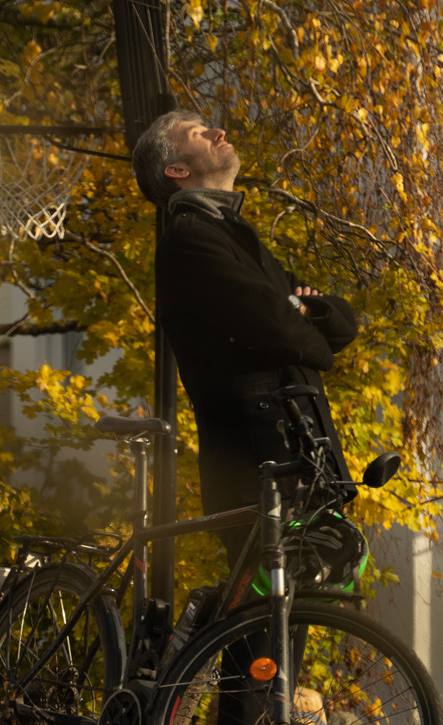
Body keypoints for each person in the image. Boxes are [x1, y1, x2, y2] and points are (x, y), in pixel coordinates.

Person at [132, 110, 358, 563]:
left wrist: (306, 310)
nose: (218, 132)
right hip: (256, 464)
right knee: (257, 618)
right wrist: (298, 320)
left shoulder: (237, 236)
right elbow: (277, 327)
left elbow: (344, 323)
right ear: (177, 170)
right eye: (198, 133)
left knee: (296, 617)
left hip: (300, 455)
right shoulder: (189, 239)